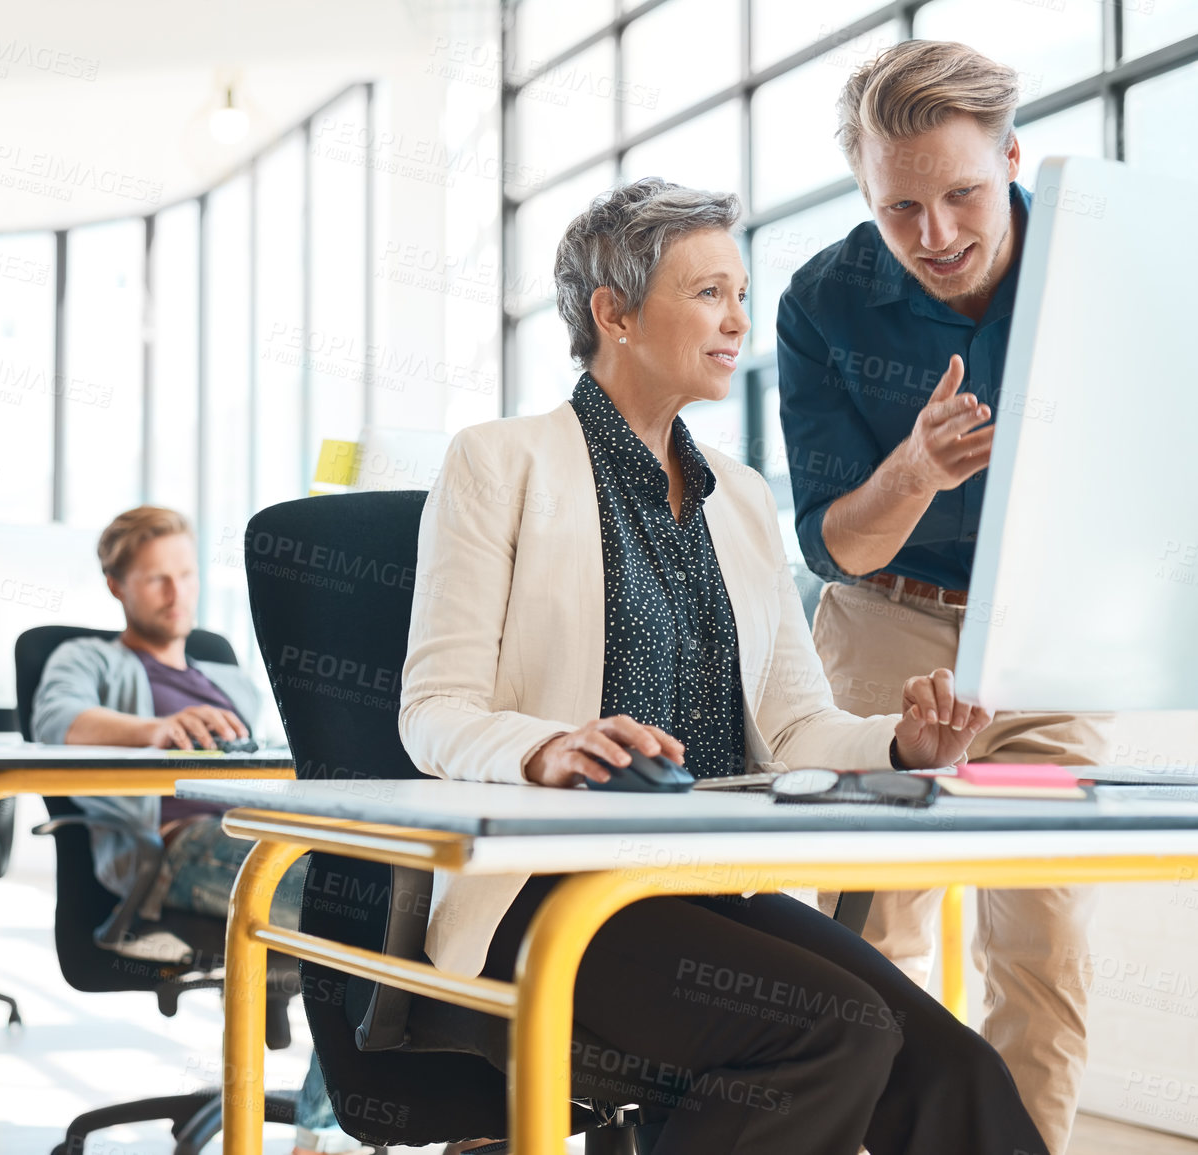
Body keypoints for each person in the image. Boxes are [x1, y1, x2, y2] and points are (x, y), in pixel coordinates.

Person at [398, 179, 1048, 1155]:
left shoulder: (738, 498)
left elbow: (796, 729)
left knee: (952, 1067)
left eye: (741, 293)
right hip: (550, 890)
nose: (738, 320)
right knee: (833, 1037)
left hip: (696, 885)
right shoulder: (500, 464)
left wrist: (900, 740)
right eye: (707, 293)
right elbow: (434, 710)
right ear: (613, 314)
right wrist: (550, 749)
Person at [775, 41, 1110, 1153]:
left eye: (962, 194)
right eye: (899, 206)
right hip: (887, 626)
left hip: (1045, 636)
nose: (936, 235)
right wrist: (917, 468)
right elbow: (835, 546)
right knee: (865, 936)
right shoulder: (822, 301)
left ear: (1012, 159)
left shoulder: (1097, 261)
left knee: (1043, 946)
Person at [31, 505, 359, 1155]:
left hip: (262, 828)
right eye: (156, 578)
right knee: (349, 910)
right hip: (179, 850)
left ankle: (390, 1124)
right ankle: (322, 1139)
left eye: (185, 573)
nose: (177, 592)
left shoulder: (226, 676)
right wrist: (150, 732)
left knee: (389, 891)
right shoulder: (88, 658)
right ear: (116, 587)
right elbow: (56, 720)